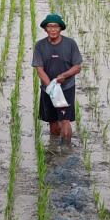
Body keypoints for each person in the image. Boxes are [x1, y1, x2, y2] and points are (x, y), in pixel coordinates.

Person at [32, 14, 82, 146]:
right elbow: (39, 69)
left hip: (66, 89)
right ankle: (54, 149)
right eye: (49, 26)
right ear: (45, 29)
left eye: (56, 26)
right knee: (52, 121)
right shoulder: (40, 46)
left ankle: (66, 149)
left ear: (60, 29)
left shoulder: (70, 44)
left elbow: (77, 67)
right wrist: (51, 88)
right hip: (48, 89)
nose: (53, 29)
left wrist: (64, 76)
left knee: (65, 120)